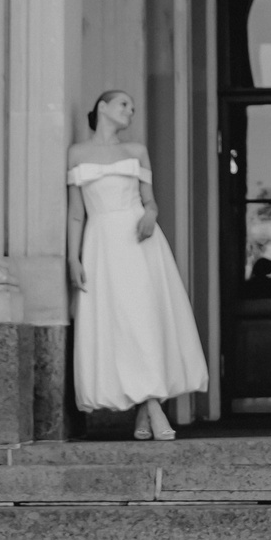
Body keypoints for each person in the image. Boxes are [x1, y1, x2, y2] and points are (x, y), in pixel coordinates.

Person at [68, 90, 207, 438]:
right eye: (123, 104)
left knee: (142, 319)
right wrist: (73, 257)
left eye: (132, 107)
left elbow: (151, 202)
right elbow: (75, 214)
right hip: (101, 243)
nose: (130, 111)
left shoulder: (137, 151)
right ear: (102, 107)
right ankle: (148, 409)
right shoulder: (77, 154)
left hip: (138, 241)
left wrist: (150, 215)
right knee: (119, 323)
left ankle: (151, 407)